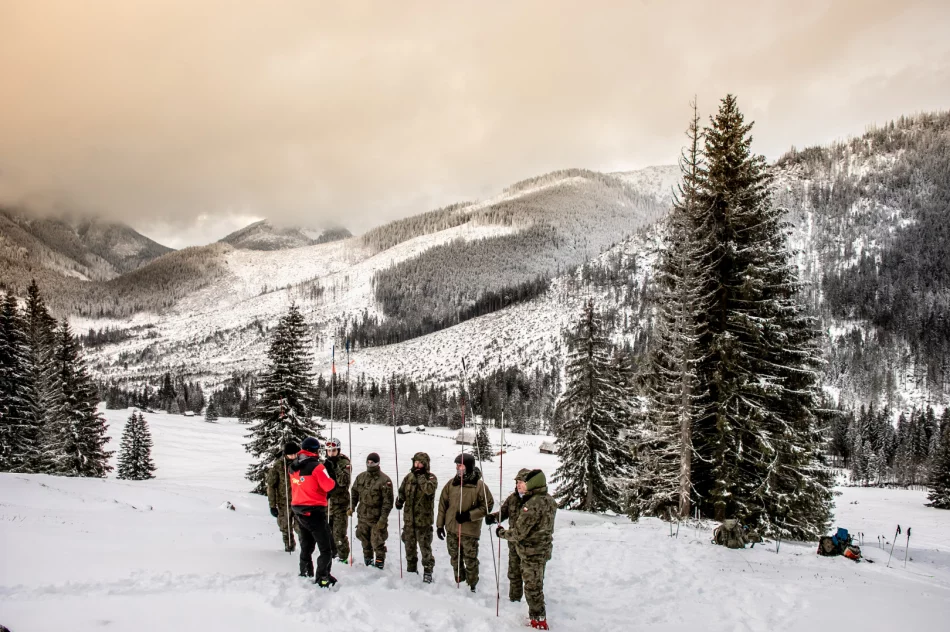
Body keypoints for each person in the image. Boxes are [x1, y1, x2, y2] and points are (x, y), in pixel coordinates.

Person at [495, 469, 557, 630]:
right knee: (535, 583)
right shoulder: (549, 500)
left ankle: (539, 620)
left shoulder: (532, 504)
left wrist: (502, 533)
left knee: (532, 587)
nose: (519, 486)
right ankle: (536, 616)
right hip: (542, 549)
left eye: (523, 483)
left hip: (531, 551)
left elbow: (519, 533)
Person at [436, 452, 494, 592]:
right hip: (451, 529)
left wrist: (469, 516)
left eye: (461, 465)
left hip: (469, 531)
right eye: (457, 465)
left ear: (468, 466)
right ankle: (459, 581)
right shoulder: (452, 483)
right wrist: (439, 525)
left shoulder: (479, 486)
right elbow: (443, 505)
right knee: (455, 558)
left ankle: (471, 585)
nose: (458, 468)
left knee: (470, 559)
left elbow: (487, 506)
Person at [288, 436, 337, 588]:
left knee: (307, 545)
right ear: (315, 450)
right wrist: (330, 473)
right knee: (326, 548)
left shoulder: (293, 466)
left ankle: (305, 571)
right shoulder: (317, 467)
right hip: (314, 511)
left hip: (299, 511)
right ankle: (323, 577)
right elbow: (329, 486)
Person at [486, 468, 532, 601]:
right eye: (517, 482)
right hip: (513, 543)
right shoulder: (512, 498)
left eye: (521, 482)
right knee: (514, 572)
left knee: (530, 577)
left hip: (529, 545)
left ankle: (531, 603)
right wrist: (493, 517)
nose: (518, 485)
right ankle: (514, 599)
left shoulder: (534, 500)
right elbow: (503, 513)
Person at [394, 451, 438, 583]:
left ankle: (428, 571)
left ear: (425, 464)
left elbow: (429, 490)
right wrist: (399, 500)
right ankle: (411, 569)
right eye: (415, 463)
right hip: (409, 520)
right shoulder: (409, 477)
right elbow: (402, 491)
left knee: (425, 548)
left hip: (423, 521)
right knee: (409, 547)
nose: (417, 465)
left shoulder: (431, 478)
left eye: (420, 463)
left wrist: (421, 477)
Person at [349, 452, 394, 569]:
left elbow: (388, 503)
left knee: (377, 541)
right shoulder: (361, 477)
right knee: (364, 540)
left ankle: (379, 562)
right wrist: (351, 506)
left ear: (378, 463)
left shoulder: (385, 480)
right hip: (362, 516)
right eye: (368, 462)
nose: (370, 464)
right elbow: (354, 493)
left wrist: (383, 519)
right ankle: (368, 561)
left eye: (372, 462)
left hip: (376, 518)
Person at [266, 441, 301, 552]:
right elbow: (271, 486)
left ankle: (305, 548)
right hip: (284, 502)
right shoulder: (278, 466)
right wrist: (272, 505)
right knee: (285, 526)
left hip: (299, 501)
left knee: (300, 527)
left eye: (295, 454)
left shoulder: (301, 463)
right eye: (291, 454)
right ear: (285, 454)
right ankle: (289, 546)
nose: (293, 456)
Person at [323, 437, 352, 563]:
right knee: (327, 531)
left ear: (338, 451)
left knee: (339, 533)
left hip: (340, 503)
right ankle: (332, 553)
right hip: (327, 503)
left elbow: (344, 482)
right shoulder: (324, 463)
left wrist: (335, 468)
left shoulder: (344, 463)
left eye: (333, 451)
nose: (331, 453)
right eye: (329, 451)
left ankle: (343, 557)